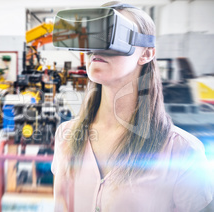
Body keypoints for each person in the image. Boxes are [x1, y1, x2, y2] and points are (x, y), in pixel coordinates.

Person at [51, 1, 214, 211]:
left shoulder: (182, 151)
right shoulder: (66, 135)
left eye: (112, 35)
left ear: (146, 53)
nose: (97, 48)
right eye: (93, 36)